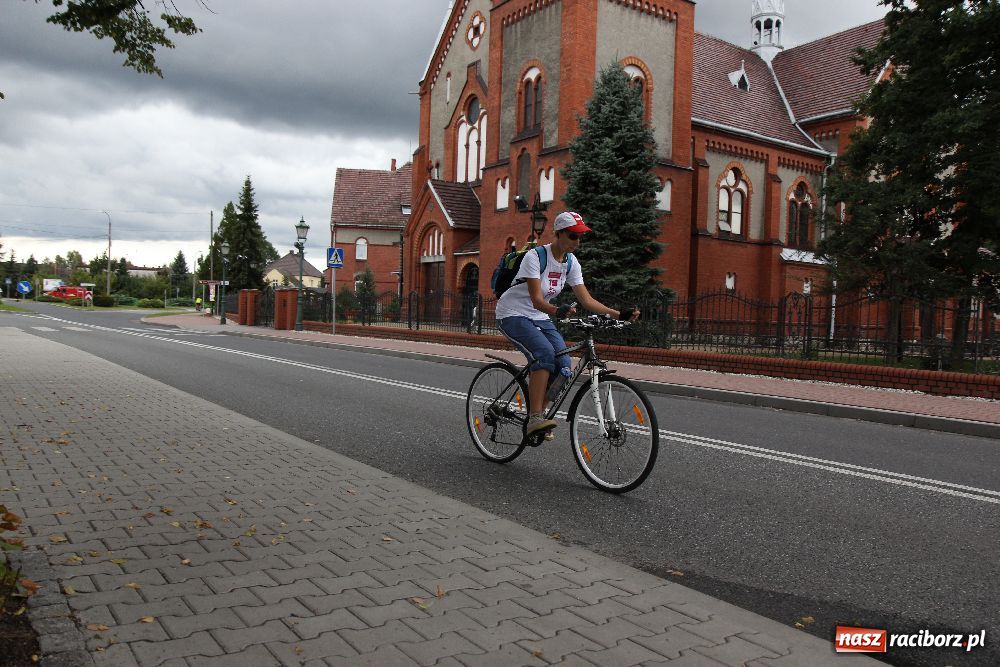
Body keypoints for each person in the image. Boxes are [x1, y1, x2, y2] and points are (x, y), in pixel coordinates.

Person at [495, 211, 639, 438]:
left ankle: (541, 414)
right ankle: (534, 419)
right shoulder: (536, 257)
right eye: (572, 236)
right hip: (512, 313)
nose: (577, 242)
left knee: (563, 361)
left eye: (580, 237)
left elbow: (586, 299)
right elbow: (536, 299)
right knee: (543, 354)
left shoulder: (571, 262)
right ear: (558, 233)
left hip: (539, 316)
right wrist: (557, 310)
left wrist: (618, 314)